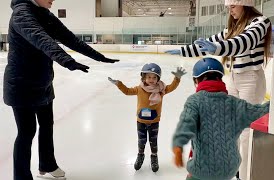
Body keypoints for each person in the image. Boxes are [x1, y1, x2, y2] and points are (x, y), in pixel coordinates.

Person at [3, 0, 119, 179]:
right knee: (27, 132)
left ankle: (47, 163)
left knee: (47, 125)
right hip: (21, 85)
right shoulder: (21, 14)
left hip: (43, 83)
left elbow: (69, 38)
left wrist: (99, 57)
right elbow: (41, 38)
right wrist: (66, 60)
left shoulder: (44, 14)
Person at [166, 0, 272, 179]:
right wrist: (183, 51)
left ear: (244, 4)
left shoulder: (260, 22)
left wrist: (218, 48)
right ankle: (233, 165)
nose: (230, 11)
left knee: (246, 132)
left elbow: (243, 42)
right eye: (228, 7)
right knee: (229, 127)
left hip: (250, 79)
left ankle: (245, 175)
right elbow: (208, 43)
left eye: (233, 6)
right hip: (233, 77)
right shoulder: (232, 28)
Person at [172, 57, 270, 180]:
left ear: (196, 80)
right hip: (229, 169)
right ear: (220, 78)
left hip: (202, 169)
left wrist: (178, 145)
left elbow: (186, 124)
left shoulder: (195, 101)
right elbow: (260, 113)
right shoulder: (235, 103)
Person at [108, 63, 186, 172]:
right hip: (141, 121)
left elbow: (172, 87)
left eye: (154, 77)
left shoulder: (161, 90)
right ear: (144, 77)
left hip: (154, 121)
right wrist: (118, 84)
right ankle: (140, 155)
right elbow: (127, 91)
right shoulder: (139, 89)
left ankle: (154, 157)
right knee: (141, 140)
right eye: (149, 77)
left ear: (158, 78)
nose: (151, 79)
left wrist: (177, 78)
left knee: (153, 141)